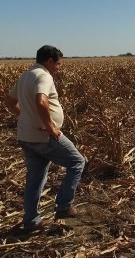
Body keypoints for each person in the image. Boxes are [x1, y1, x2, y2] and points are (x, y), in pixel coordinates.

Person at [5, 45, 86, 233]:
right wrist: (50, 127)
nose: (59, 67)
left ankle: (31, 221)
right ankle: (64, 207)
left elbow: (9, 101)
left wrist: (25, 118)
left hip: (27, 136)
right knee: (77, 162)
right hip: (44, 137)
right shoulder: (43, 75)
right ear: (49, 61)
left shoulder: (26, 75)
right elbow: (41, 100)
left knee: (35, 178)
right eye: (58, 64)